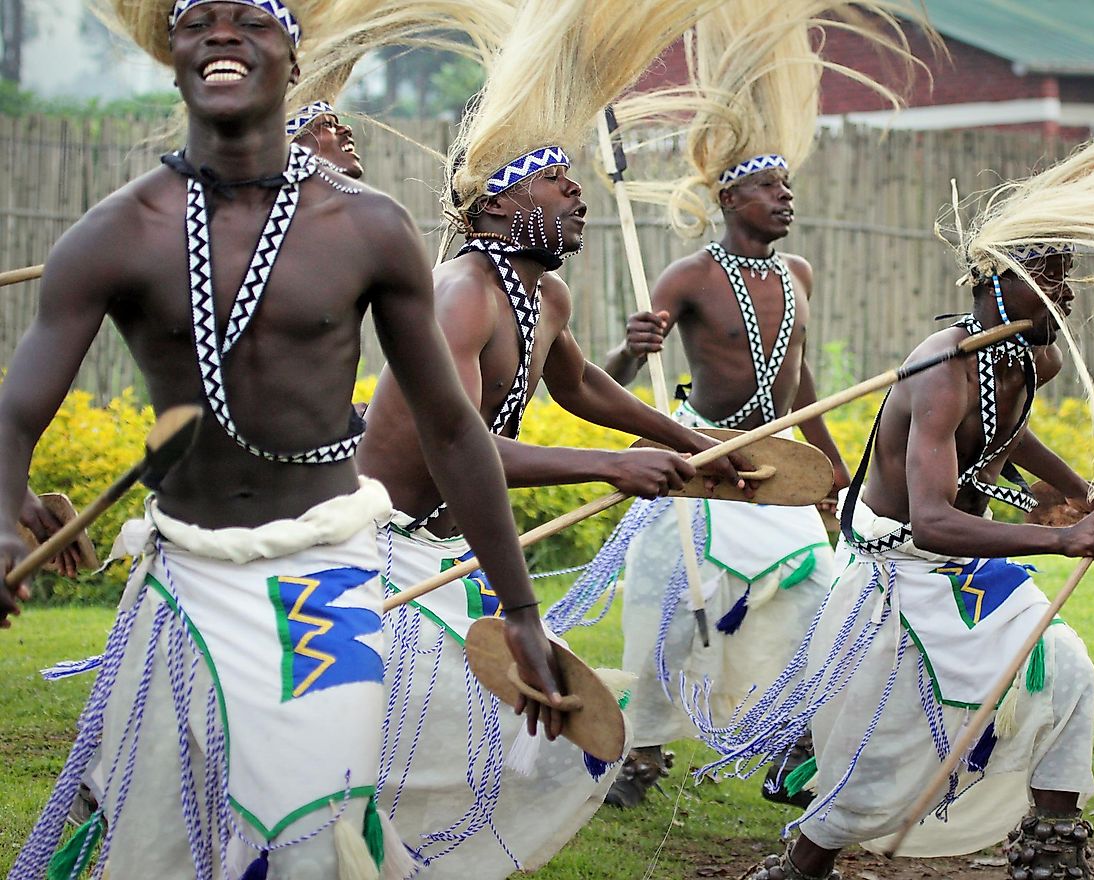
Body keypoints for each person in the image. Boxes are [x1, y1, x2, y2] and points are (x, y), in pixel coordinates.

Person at [0, 1, 564, 876]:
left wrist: (521, 609)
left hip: (323, 575)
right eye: (200, 21)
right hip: (185, 574)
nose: (223, 34)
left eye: (251, 20)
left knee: (315, 829)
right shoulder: (117, 233)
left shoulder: (368, 227)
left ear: (293, 58)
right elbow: (17, 411)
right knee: (160, 847)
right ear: (175, 57)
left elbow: (455, 428)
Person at [692, 117, 1094, 880]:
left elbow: (1004, 435)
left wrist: (1082, 492)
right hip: (897, 574)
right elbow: (930, 517)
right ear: (993, 277)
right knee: (877, 753)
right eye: (1045, 273)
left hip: (965, 572)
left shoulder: (1033, 358)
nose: (1061, 291)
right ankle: (804, 863)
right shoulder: (940, 370)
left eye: (1065, 273)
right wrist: (1061, 539)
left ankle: (1052, 849)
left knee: (1063, 666)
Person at [351, 0, 748, 875]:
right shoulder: (459, 294)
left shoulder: (543, 298)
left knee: (500, 740)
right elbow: (463, 453)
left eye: (574, 181)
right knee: (418, 742)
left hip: (445, 559)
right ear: (498, 202)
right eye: (554, 182)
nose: (576, 195)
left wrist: (680, 440)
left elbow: (581, 386)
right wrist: (615, 465)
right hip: (376, 550)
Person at [563, 0, 919, 808]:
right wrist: (632, 346)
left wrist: (831, 465)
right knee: (670, 605)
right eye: (768, 188)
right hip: (698, 460)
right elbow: (613, 383)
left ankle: (791, 735)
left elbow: (799, 389)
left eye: (787, 186)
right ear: (729, 198)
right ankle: (644, 753)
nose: (785, 199)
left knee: (819, 595)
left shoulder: (797, 279)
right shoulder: (687, 276)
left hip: (778, 466)